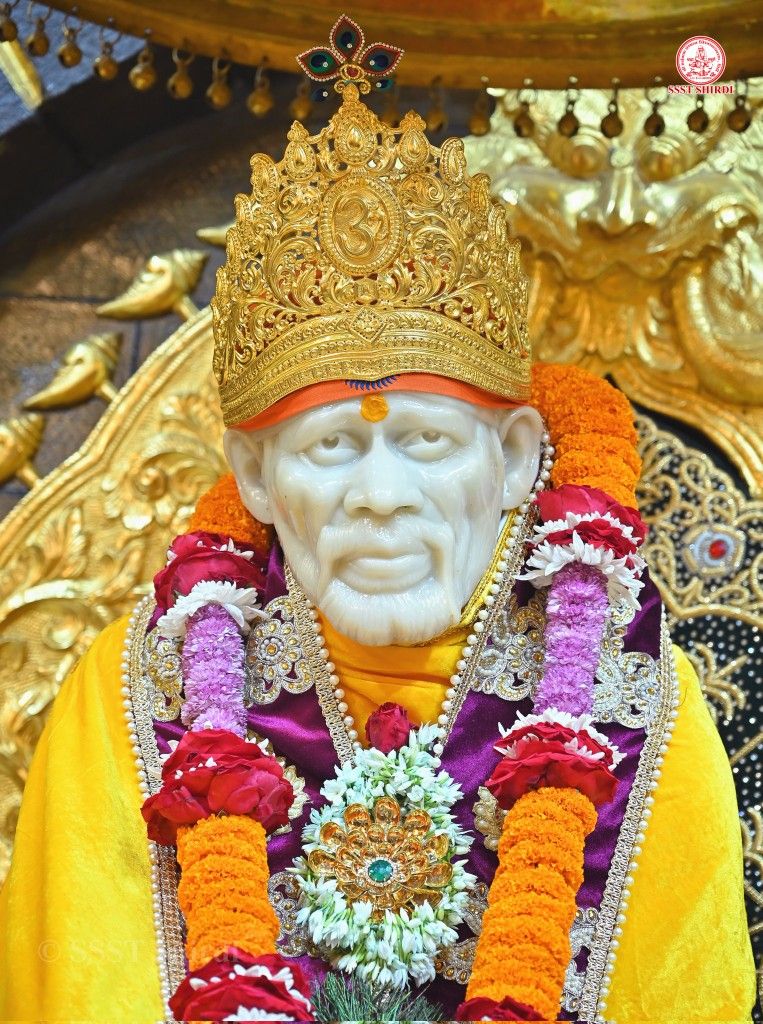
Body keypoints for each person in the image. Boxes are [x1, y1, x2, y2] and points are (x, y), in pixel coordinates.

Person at [0, 16, 755, 1023]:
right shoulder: (135, 695)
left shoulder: (634, 702)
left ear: (515, 458)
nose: (380, 492)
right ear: (255, 477)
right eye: (329, 447)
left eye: (428, 443)